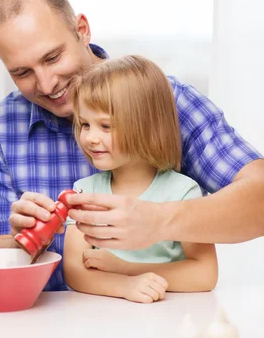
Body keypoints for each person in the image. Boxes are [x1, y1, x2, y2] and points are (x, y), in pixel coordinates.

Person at [0, 0, 264, 291]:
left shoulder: (163, 99)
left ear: (82, 30)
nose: (45, 84)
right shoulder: (0, 126)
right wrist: (24, 242)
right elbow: (2, 262)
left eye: (53, 57)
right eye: (22, 72)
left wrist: (157, 221)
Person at [63, 55, 218, 303]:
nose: (90, 138)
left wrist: (125, 269)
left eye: (105, 126)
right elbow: (73, 271)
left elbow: (205, 274)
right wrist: (125, 287)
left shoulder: (182, 192)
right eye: (84, 124)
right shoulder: (85, 193)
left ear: (146, 126)